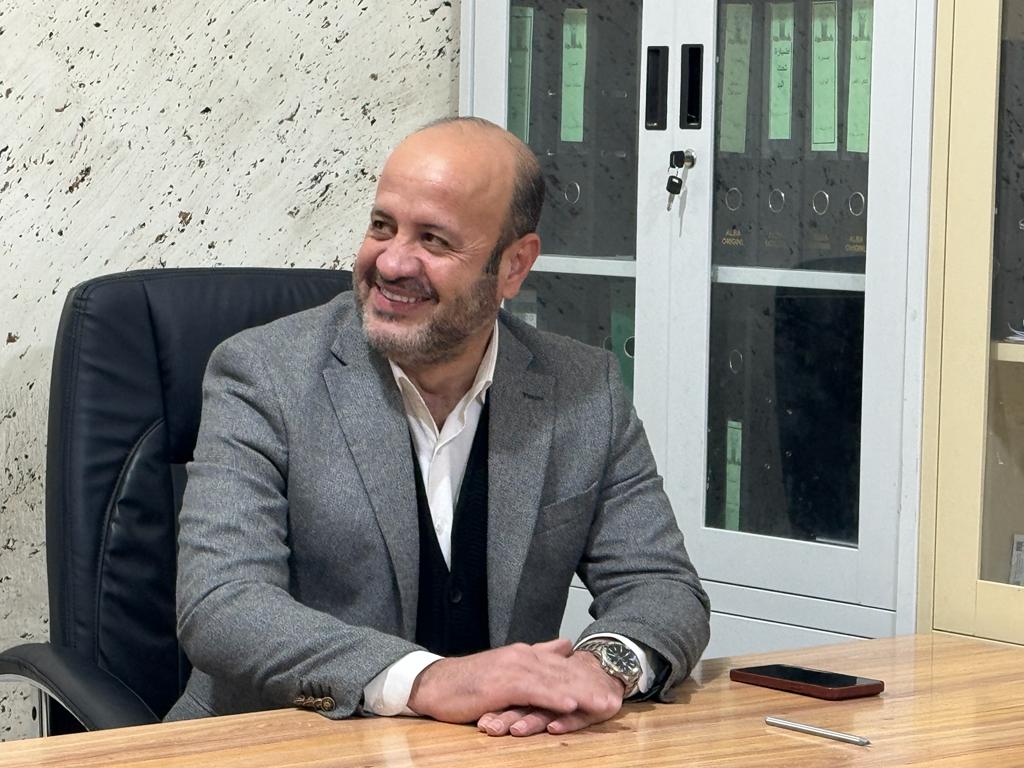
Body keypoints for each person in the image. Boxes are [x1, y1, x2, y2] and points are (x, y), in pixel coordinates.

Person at [166, 117, 710, 737]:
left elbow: (662, 585)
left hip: (497, 749)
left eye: (434, 239)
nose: (393, 261)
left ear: (514, 266)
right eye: (382, 226)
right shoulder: (263, 374)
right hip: (279, 745)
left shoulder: (584, 390)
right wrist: (428, 681)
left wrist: (599, 668)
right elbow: (224, 605)